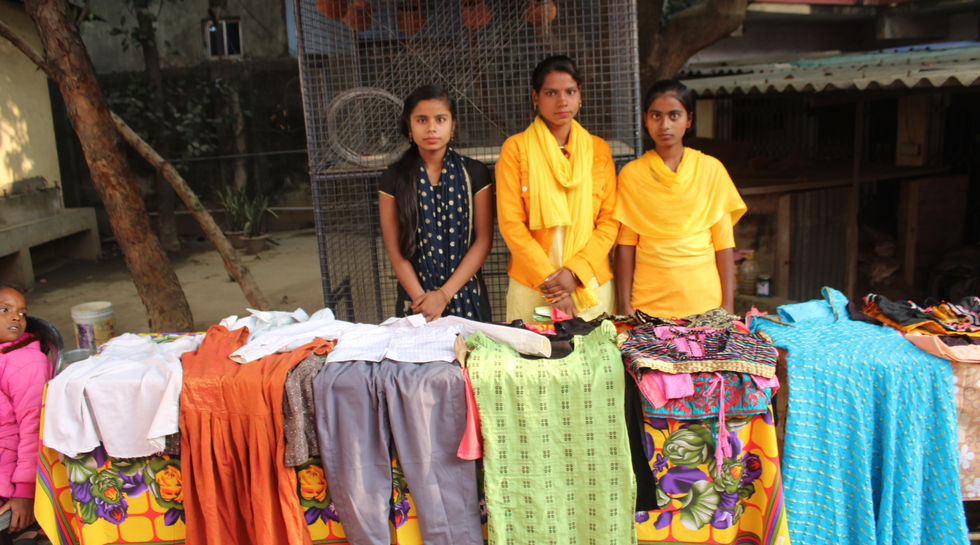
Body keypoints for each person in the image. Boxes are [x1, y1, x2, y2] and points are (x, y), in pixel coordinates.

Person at [495, 55, 619, 322]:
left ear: (579, 95)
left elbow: (609, 222)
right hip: (533, 285)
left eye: (570, 92)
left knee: (592, 362)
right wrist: (554, 286)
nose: (562, 101)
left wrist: (575, 273)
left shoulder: (599, 151)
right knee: (534, 362)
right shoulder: (516, 150)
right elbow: (511, 224)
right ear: (535, 97)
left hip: (589, 285)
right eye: (551, 93)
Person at [614, 80, 746, 318]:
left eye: (674, 116)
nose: (665, 125)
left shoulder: (711, 169)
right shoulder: (632, 175)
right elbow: (625, 245)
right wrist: (625, 306)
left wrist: (728, 306)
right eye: (656, 116)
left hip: (706, 302)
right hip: (648, 304)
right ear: (646, 119)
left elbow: (724, 243)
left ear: (689, 120)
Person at [379, 84, 494, 322]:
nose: (431, 128)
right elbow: (394, 250)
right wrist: (423, 301)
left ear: (452, 125)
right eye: (421, 120)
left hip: (467, 294)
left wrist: (443, 295)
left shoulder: (475, 173)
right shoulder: (393, 178)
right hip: (415, 302)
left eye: (440, 119)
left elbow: (483, 241)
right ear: (409, 126)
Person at [0, 284, 52, 540]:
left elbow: (34, 427)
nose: (15, 317)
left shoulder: (26, 363)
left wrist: (24, 491)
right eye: (4, 309)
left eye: (22, 313)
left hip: (7, 476)